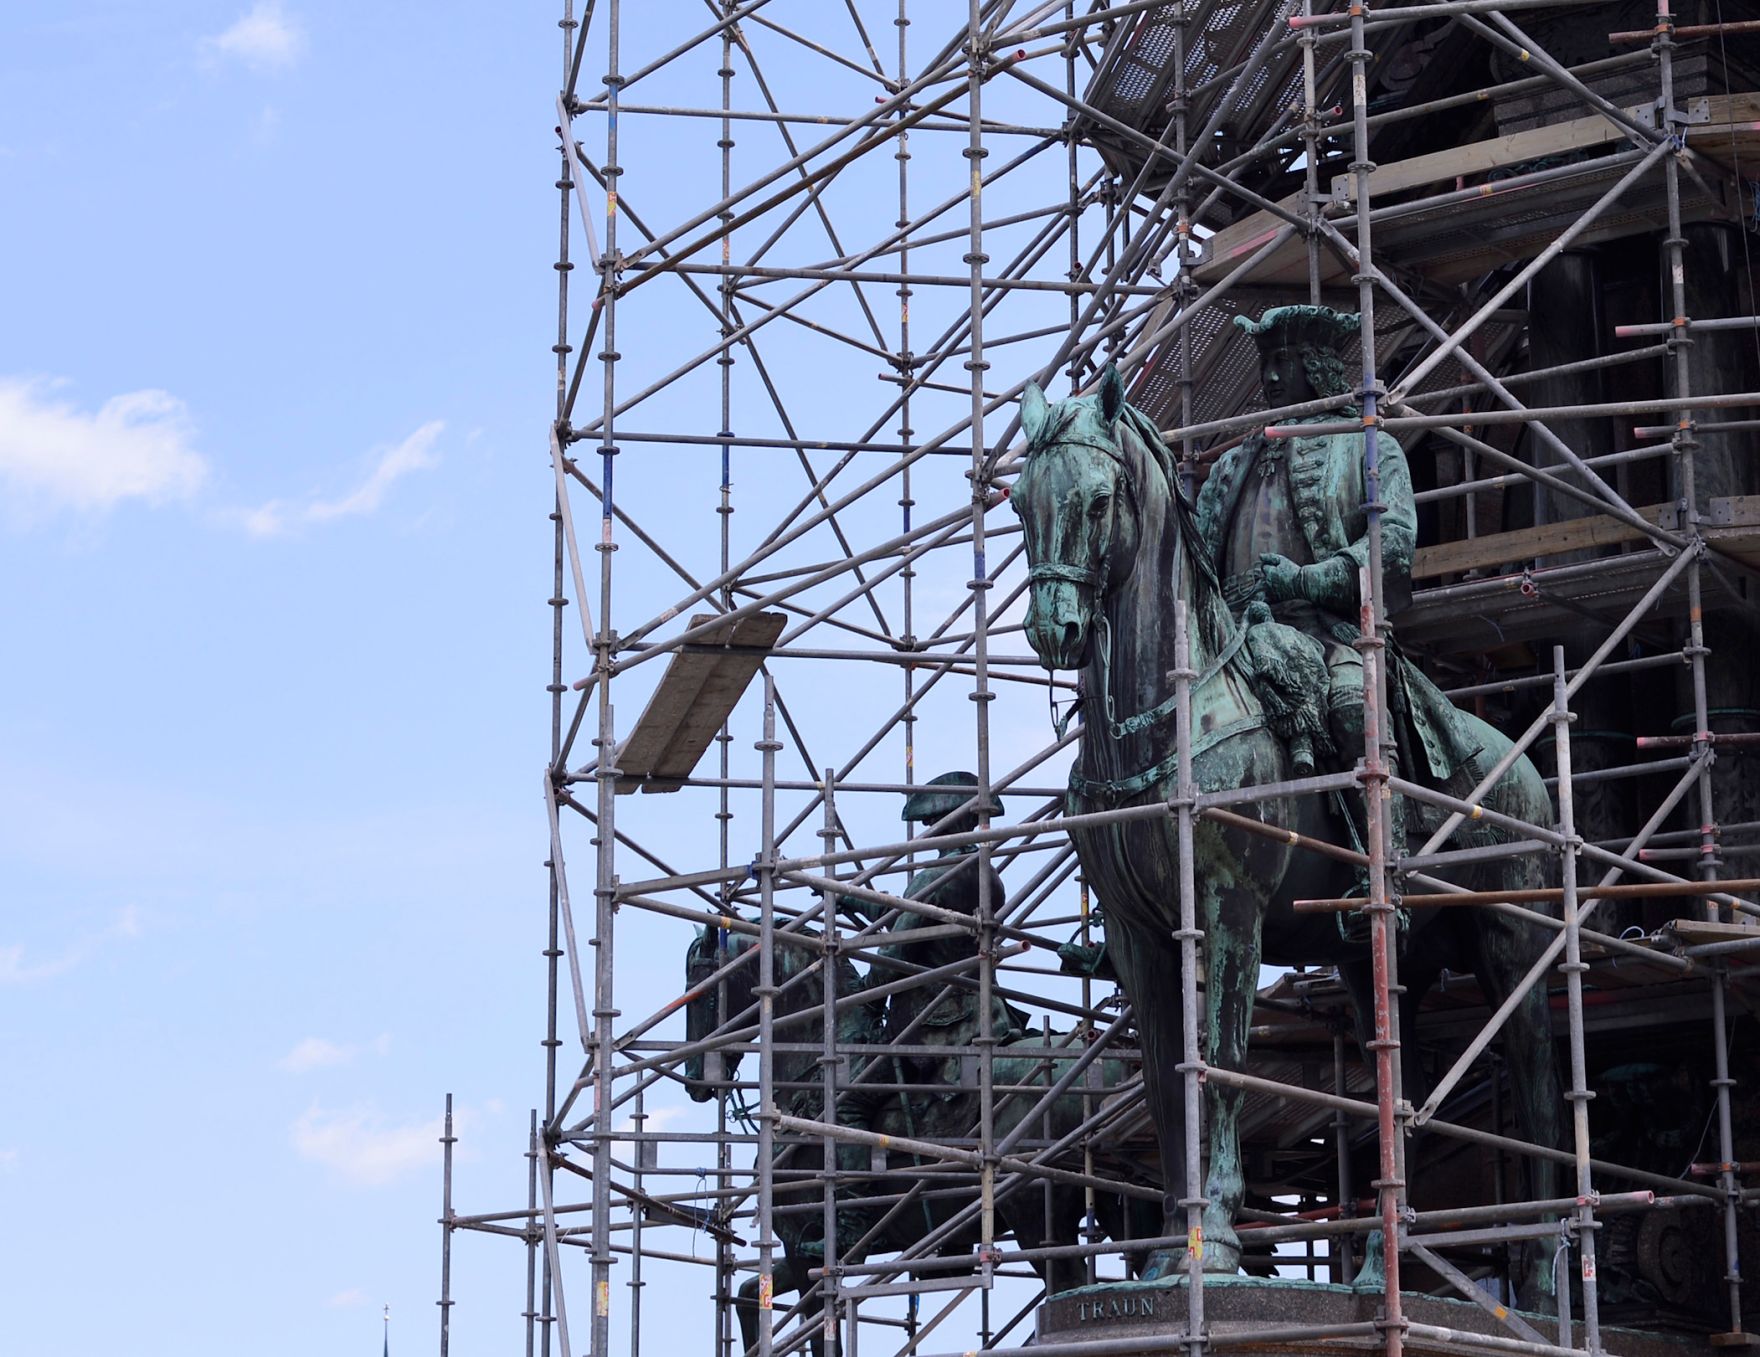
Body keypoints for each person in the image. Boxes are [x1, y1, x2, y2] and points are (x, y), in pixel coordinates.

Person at [1195, 305, 1484, 918]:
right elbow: (1198, 558)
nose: (1271, 378)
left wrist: (1310, 577)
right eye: (1266, 363)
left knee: (1353, 705)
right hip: (1237, 637)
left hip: (1329, 632)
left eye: (1285, 363)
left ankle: (1381, 870)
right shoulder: (1232, 465)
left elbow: (1393, 544)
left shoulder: (1367, 448)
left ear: (1318, 368)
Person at [810, 771, 1026, 1260]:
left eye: (931, 821)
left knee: (848, 1103)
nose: (927, 832)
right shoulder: (987, 874)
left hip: (934, 1029)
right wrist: (861, 904)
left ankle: (849, 1221)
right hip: (982, 1017)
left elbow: (897, 947)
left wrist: (862, 998)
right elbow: (920, 933)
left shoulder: (938, 876)